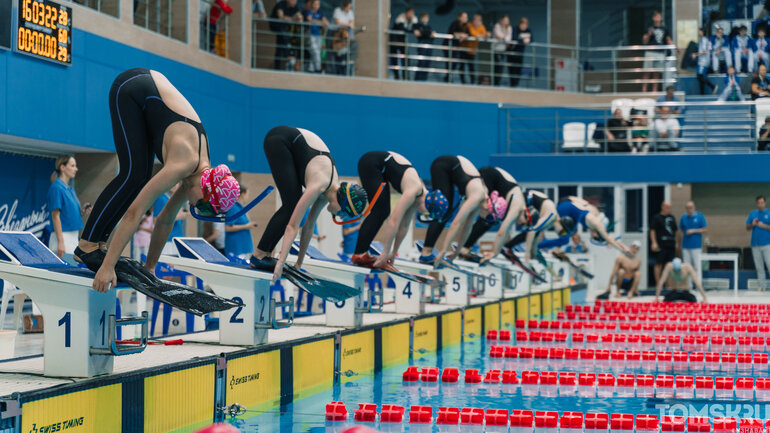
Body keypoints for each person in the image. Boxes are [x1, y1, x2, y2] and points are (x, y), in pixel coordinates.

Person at [75, 68, 240, 292]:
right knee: (134, 175)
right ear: (206, 188)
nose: (195, 207)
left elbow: (165, 220)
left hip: (149, 93)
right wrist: (107, 266)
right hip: (131, 86)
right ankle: (87, 244)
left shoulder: (198, 176)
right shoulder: (184, 163)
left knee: (139, 175)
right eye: (202, 204)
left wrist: (150, 267)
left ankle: (98, 243)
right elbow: (135, 212)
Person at [248, 126, 367, 282]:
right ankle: (259, 255)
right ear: (342, 201)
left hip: (295, 145)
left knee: (293, 202)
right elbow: (292, 226)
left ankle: (264, 254)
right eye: (344, 212)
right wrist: (282, 262)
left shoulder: (328, 191)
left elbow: (309, 226)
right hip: (280, 139)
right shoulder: (320, 184)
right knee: (292, 204)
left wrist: (299, 262)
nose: (340, 217)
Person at [350, 151, 438, 268]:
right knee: (381, 211)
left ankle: (361, 253)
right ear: (427, 204)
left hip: (380, 168)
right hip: (371, 163)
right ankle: (359, 254)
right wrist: (385, 252)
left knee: (382, 211)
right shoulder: (414, 190)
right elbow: (393, 221)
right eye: (427, 212)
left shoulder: (417, 196)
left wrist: (393, 253)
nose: (423, 213)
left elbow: (404, 226)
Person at [419, 155, 487, 266]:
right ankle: (425, 253)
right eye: (487, 216)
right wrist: (444, 251)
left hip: (452, 168)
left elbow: (467, 228)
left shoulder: (481, 200)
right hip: (442, 165)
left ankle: (427, 251)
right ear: (488, 207)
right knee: (443, 211)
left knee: (447, 211)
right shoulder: (477, 196)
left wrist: (456, 253)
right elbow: (456, 223)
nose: (484, 218)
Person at [458, 166, 522, 262]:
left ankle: (466, 245)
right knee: (485, 215)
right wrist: (495, 253)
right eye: (522, 224)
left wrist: (503, 247)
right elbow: (501, 232)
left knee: (490, 218)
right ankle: (464, 246)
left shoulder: (518, 206)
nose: (520, 225)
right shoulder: (517, 208)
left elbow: (505, 230)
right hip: (490, 175)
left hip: (494, 178)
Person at [537, 196, 630, 256]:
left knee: (567, 235)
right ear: (599, 230)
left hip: (566, 204)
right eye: (596, 237)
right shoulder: (594, 222)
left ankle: (548, 247)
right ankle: (537, 246)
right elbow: (608, 237)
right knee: (563, 237)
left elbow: (608, 237)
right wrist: (623, 250)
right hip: (565, 209)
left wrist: (622, 246)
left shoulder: (593, 212)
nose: (592, 236)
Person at [47, 155, 85, 258]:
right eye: (72, 166)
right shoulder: (56, 188)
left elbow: (68, 214)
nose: (76, 169)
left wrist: (82, 211)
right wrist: (61, 242)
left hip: (73, 237)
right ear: (62, 167)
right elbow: (55, 216)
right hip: (62, 237)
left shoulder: (70, 189)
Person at [641, 11, 674, 92]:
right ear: (653, 18)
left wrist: (675, 47)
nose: (657, 18)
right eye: (656, 17)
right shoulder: (649, 28)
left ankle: (654, 90)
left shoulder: (664, 29)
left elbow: (668, 39)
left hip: (660, 53)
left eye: (659, 16)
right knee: (647, 72)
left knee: (656, 73)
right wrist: (649, 34)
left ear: (661, 18)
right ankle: (644, 90)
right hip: (650, 52)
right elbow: (644, 41)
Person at [153, 183, 188, 255]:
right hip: (167, 241)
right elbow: (156, 220)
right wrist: (179, 216)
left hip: (177, 239)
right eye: (173, 183)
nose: (175, 185)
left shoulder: (174, 199)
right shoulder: (161, 198)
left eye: (177, 183)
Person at [679, 200, 707, 287]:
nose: (689, 209)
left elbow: (705, 229)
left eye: (690, 208)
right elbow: (681, 230)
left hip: (696, 246)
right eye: (687, 208)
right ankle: (688, 286)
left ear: (694, 208)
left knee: (697, 266)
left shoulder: (700, 216)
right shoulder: (683, 217)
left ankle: (698, 285)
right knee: (687, 267)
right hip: (686, 246)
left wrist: (693, 231)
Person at [225, 187, 258, 259]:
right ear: (243, 194)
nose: (247, 197)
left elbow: (247, 222)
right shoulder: (233, 207)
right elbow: (227, 227)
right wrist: (246, 226)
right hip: (237, 248)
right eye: (247, 195)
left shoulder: (240, 207)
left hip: (244, 247)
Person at [270, 0, 303, 71]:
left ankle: (285, 61)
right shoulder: (281, 4)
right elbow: (281, 17)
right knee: (284, 40)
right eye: (293, 0)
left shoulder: (294, 6)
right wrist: (293, 19)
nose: (295, 2)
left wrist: (299, 17)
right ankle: (287, 56)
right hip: (276, 26)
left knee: (280, 47)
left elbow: (299, 16)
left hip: (285, 28)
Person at [650, 201, 677, 286]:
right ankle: (659, 283)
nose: (669, 209)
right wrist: (654, 242)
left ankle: (668, 284)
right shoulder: (657, 218)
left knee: (669, 264)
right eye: (667, 207)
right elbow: (652, 230)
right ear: (663, 207)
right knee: (659, 263)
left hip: (670, 244)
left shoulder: (672, 218)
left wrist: (676, 242)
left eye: (670, 207)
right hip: (661, 244)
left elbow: (675, 231)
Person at [746, 195, 770, 291]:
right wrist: (752, 225)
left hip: (767, 244)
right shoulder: (753, 214)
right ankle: (762, 286)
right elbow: (747, 228)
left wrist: (763, 225)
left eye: (762, 203)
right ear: (756, 204)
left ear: (765, 203)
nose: (760, 205)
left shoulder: (769, 213)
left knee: (769, 265)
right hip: (755, 245)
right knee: (759, 267)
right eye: (758, 203)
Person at [389, 8, 418, 80]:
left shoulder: (414, 19)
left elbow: (417, 27)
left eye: (413, 13)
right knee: (394, 58)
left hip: (402, 40)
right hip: (394, 39)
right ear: (406, 13)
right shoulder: (400, 18)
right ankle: (396, 75)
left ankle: (406, 76)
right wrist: (412, 31)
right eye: (410, 13)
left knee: (406, 58)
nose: (411, 15)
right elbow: (401, 28)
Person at [460, 14, 488, 85]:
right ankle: (463, 81)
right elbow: (472, 34)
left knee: (471, 67)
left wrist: (481, 36)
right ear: (473, 20)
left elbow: (486, 35)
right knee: (462, 66)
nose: (477, 21)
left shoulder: (481, 27)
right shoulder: (469, 25)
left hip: (472, 50)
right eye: (476, 20)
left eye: (479, 20)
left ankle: (472, 82)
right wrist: (479, 36)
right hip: (464, 49)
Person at [303, 0, 329, 73]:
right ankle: (318, 69)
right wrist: (320, 22)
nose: (317, 5)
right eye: (316, 4)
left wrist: (318, 22)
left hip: (318, 35)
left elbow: (326, 22)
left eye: (318, 4)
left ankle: (311, 69)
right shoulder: (308, 12)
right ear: (312, 4)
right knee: (315, 52)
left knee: (315, 53)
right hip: (310, 35)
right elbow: (309, 20)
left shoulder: (320, 13)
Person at [332, 0, 355, 75]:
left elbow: (352, 23)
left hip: (346, 36)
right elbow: (338, 23)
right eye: (349, 7)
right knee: (339, 55)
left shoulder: (350, 13)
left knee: (346, 55)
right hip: (338, 36)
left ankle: (345, 69)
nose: (349, 9)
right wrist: (347, 25)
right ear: (344, 6)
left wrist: (348, 26)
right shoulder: (337, 11)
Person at [445, 12, 469, 83]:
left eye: (466, 17)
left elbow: (468, 34)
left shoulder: (466, 26)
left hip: (458, 47)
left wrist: (463, 35)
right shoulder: (454, 24)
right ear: (459, 17)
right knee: (451, 63)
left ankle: (450, 77)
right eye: (464, 17)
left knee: (457, 63)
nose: (466, 19)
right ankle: (448, 77)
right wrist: (460, 34)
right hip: (450, 46)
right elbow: (452, 33)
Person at [509, 17, 532, 87]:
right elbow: (514, 38)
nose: (524, 26)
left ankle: (516, 85)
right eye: (522, 24)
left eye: (525, 25)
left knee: (519, 70)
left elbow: (532, 39)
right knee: (512, 70)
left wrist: (528, 40)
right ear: (519, 24)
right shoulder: (515, 29)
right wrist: (523, 40)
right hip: (512, 53)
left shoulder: (528, 30)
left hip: (520, 54)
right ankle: (512, 85)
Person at [693, 27, 717, 95]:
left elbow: (704, 51)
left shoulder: (704, 40)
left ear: (702, 32)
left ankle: (712, 86)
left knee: (699, 76)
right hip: (704, 61)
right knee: (701, 78)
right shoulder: (704, 40)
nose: (698, 32)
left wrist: (696, 54)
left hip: (703, 62)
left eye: (699, 31)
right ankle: (702, 93)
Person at [413, 12, 435, 81]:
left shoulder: (429, 27)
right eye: (424, 18)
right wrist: (428, 34)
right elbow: (420, 34)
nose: (425, 19)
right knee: (421, 62)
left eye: (426, 18)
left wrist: (429, 34)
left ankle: (424, 79)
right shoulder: (418, 25)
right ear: (421, 18)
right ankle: (418, 79)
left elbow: (431, 37)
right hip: (422, 44)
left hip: (429, 45)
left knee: (427, 62)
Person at [492, 16, 512, 86]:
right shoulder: (497, 26)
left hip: (503, 50)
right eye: (505, 20)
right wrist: (505, 37)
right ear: (502, 20)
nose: (506, 22)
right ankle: (495, 83)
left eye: (507, 20)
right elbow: (498, 36)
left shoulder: (509, 28)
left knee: (501, 67)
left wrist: (504, 37)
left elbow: (508, 39)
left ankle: (498, 82)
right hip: (496, 49)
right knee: (497, 66)